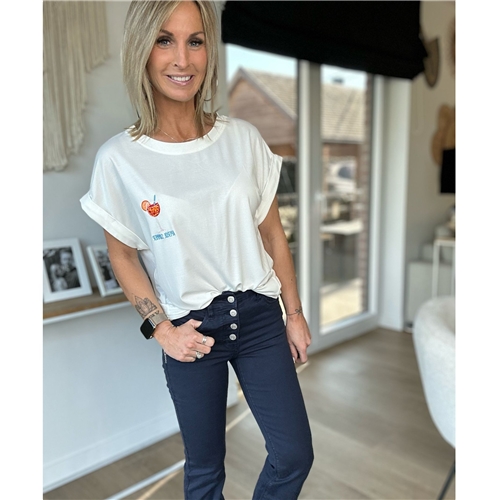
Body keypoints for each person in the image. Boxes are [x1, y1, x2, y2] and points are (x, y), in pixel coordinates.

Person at [80, 1, 314, 498]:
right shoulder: (119, 160)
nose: (182, 59)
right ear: (142, 50)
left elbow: (273, 235)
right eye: (165, 40)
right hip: (191, 328)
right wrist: (161, 329)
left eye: (196, 41)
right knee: (205, 472)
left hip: (259, 317)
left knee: (294, 454)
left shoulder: (243, 139)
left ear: (209, 51)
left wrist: (293, 313)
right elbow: (123, 255)